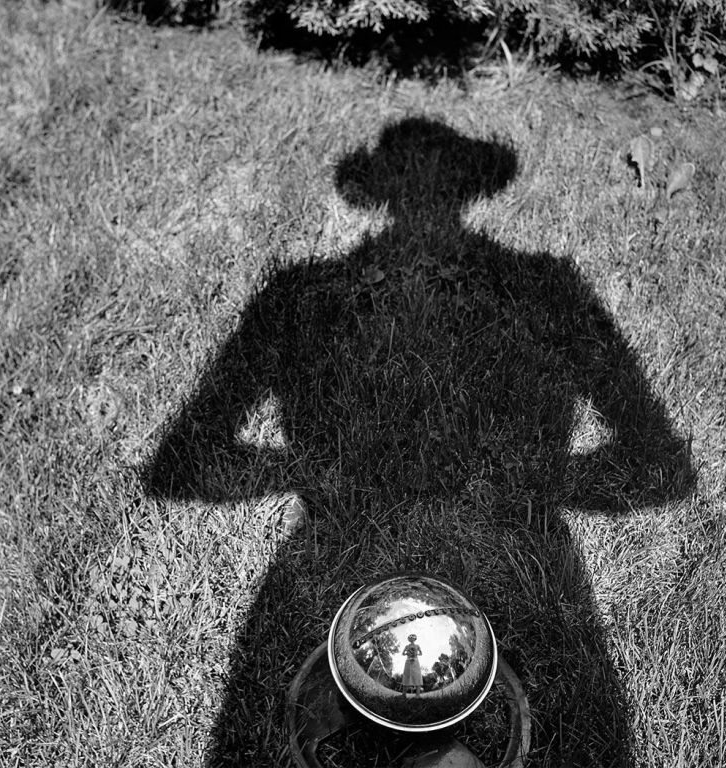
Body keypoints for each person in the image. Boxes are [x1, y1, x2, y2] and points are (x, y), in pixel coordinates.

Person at [147, 118, 693, 766]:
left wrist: (314, 470)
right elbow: (178, 464)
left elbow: (662, 466)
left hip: (376, 554)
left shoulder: (302, 290)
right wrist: (532, 485)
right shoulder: (549, 284)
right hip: (470, 561)